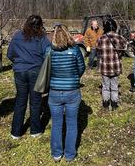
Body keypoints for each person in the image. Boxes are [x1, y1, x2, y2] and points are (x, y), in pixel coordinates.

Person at [7, 15, 51, 139]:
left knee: (20, 101)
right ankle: (35, 130)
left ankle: (16, 132)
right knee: (35, 101)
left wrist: (18, 62)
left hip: (20, 72)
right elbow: (48, 55)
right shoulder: (42, 38)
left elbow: (10, 54)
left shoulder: (17, 36)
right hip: (35, 71)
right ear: (40, 25)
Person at [47, 24, 85, 162]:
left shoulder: (49, 51)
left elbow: (46, 70)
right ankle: (69, 154)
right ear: (68, 34)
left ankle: (57, 153)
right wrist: (74, 78)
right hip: (72, 91)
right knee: (72, 123)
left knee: (56, 124)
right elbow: (81, 67)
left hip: (54, 92)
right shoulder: (74, 50)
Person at [96, 18, 127, 110]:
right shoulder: (120, 38)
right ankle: (114, 104)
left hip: (104, 66)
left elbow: (97, 51)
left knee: (105, 86)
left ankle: (105, 104)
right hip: (115, 66)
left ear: (105, 27)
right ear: (115, 26)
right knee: (114, 86)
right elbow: (124, 49)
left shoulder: (100, 39)